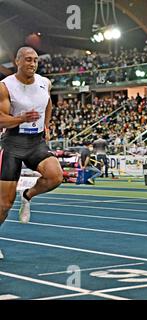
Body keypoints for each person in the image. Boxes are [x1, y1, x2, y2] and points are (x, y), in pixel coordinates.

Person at [0, 47, 64, 258]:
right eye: (28, 60)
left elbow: (48, 104)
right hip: (13, 144)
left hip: (36, 142)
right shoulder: (5, 86)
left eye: (35, 60)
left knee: (55, 176)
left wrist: (46, 125)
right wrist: (21, 119)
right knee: (4, 204)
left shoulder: (44, 83)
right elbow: (1, 119)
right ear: (17, 61)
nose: (32, 64)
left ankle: (27, 195)